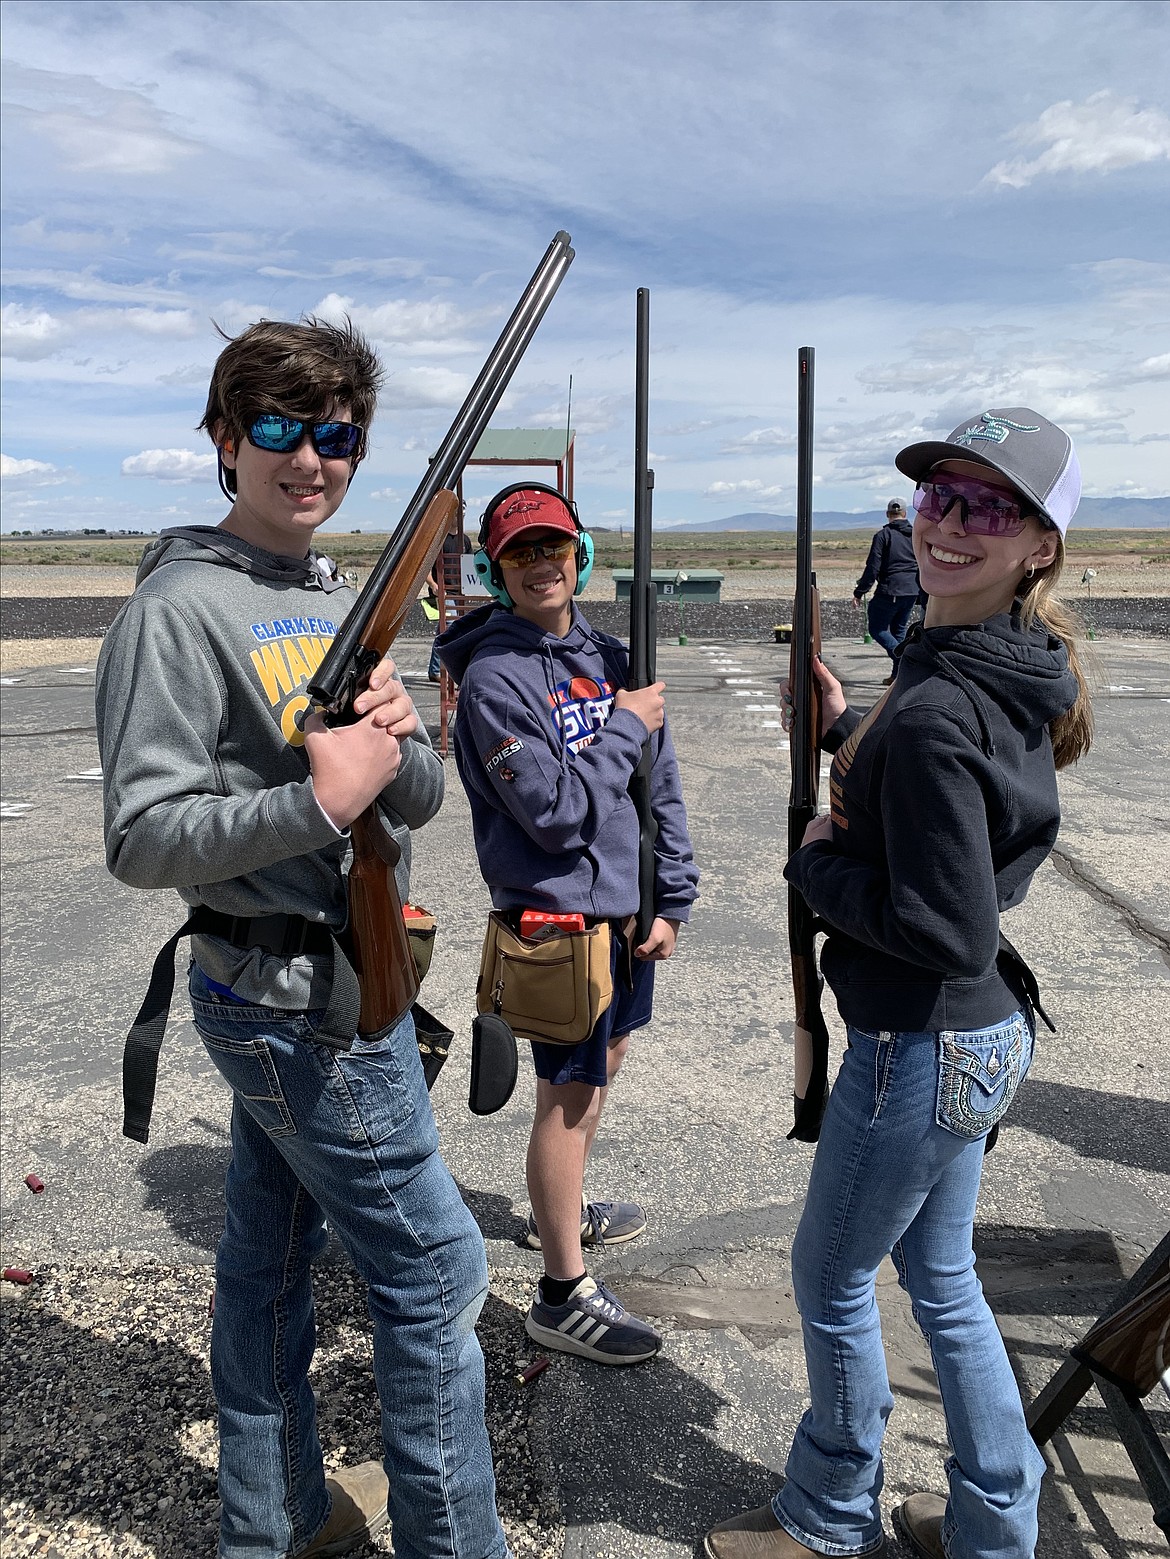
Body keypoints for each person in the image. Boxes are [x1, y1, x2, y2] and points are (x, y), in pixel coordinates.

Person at [96, 318, 509, 1559]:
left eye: (336, 435)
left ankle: (270, 1519)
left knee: (268, 1265)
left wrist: (397, 742)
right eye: (277, 427)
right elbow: (140, 837)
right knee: (438, 1274)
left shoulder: (336, 595)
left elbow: (423, 799)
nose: (309, 458)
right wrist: (316, 800)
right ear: (226, 438)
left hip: (337, 976)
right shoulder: (181, 609)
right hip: (289, 998)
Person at [705, 407, 1093, 1559]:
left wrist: (818, 864)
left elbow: (944, 925)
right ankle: (992, 1527)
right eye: (937, 497)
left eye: (989, 506)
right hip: (980, 1039)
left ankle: (827, 1515)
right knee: (942, 1275)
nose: (948, 523)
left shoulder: (934, 707)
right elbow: (937, 788)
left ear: (1040, 544)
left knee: (828, 1281)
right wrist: (843, 732)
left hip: (918, 1040)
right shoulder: (1008, 664)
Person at [437, 484, 699, 1366]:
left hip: (624, 919)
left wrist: (670, 899)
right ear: (495, 570)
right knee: (569, 1095)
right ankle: (560, 1290)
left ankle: (566, 1202)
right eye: (519, 554)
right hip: (558, 922)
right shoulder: (493, 680)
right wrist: (624, 725)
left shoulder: (611, 656)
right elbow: (551, 812)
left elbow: (657, 789)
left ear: (579, 553)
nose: (540, 563)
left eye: (553, 546)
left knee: (602, 1073)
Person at [852, 499, 920, 682]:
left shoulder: (883, 535)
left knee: (877, 629)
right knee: (898, 631)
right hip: (912, 590)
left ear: (887, 514)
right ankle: (898, 676)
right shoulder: (916, 535)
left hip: (891, 590)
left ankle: (902, 659)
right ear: (905, 514)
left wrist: (860, 591)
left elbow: (873, 566)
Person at [426, 514, 474, 680]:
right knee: (449, 627)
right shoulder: (440, 540)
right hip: (445, 592)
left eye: (462, 513)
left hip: (460, 592)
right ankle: (437, 670)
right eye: (458, 512)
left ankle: (437, 669)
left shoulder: (465, 540)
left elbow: (470, 566)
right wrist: (434, 585)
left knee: (448, 630)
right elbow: (426, 565)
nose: (461, 516)